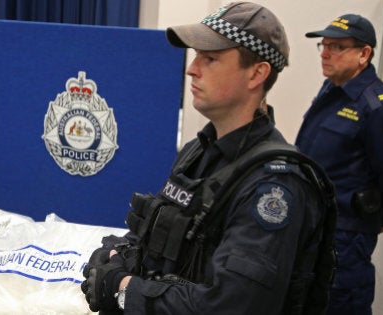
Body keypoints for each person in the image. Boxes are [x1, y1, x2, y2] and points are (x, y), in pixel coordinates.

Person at [80, 2, 337, 314]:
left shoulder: (274, 186)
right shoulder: (198, 151)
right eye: (196, 55)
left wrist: (123, 289)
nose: (192, 67)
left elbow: (229, 305)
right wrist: (115, 256)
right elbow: (157, 232)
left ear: (257, 73)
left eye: (210, 58)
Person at [296, 14, 383, 315]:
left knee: (341, 303)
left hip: (346, 234)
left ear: (364, 54)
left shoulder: (375, 105)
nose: (324, 53)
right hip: (313, 224)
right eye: (324, 45)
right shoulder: (331, 90)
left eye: (336, 47)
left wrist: (373, 220)